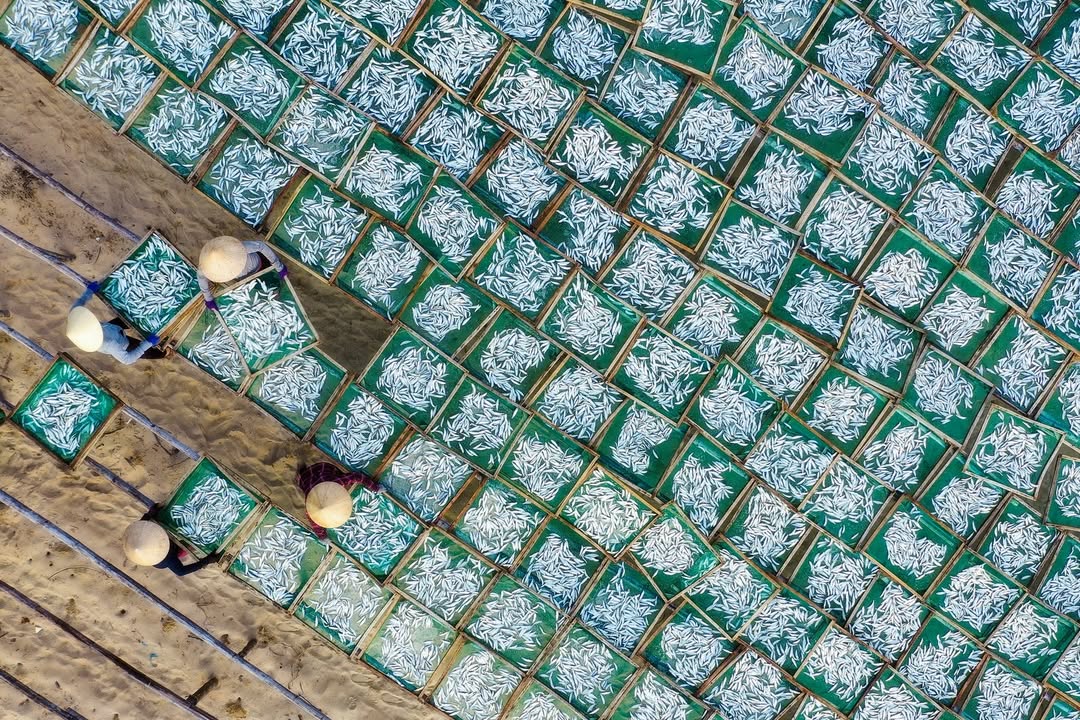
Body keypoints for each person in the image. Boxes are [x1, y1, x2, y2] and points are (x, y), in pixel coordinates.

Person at [68, 281, 166, 364]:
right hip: (123, 343)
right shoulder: (110, 344)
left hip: (112, 327)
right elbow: (128, 360)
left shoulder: (77, 321)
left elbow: (77, 305)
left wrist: (88, 292)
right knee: (150, 352)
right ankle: (165, 353)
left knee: (133, 315)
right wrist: (147, 344)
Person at [198, 236, 287, 308]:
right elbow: (201, 277)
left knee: (271, 282)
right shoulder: (207, 265)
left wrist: (278, 266)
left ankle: (276, 290)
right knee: (258, 286)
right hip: (246, 278)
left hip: (260, 265)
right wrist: (208, 298)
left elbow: (261, 246)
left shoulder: (237, 248)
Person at [295, 462, 380, 537]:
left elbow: (355, 476)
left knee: (306, 479)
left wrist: (375, 487)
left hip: (318, 471)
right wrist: (322, 536)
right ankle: (302, 473)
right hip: (312, 474)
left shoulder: (335, 483)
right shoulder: (310, 506)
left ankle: (302, 472)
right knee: (304, 481)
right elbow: (315, 525)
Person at [122, 514, 218, 576]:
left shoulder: (140, 536)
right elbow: (181, 572)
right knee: (190, 545)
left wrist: (151, 512)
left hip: (164, 541)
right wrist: (206, 561)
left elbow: (142, 524)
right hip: (174, 552)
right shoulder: (168, 559)